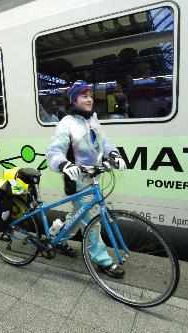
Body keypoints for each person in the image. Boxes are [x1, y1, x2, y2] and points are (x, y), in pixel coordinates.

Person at [46, 80, 127, 279]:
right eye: (84, 95)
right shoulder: (67, 122)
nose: (89, 99)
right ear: (74, 99)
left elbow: (104, 142)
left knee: (80, 215)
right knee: (92, 220)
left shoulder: (93, 119)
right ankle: (103, 260)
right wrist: (65, 164)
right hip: (77, 180)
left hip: (94, 177)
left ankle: (56, 234)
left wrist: (114, 154)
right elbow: (54, 151)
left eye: (90, 95)